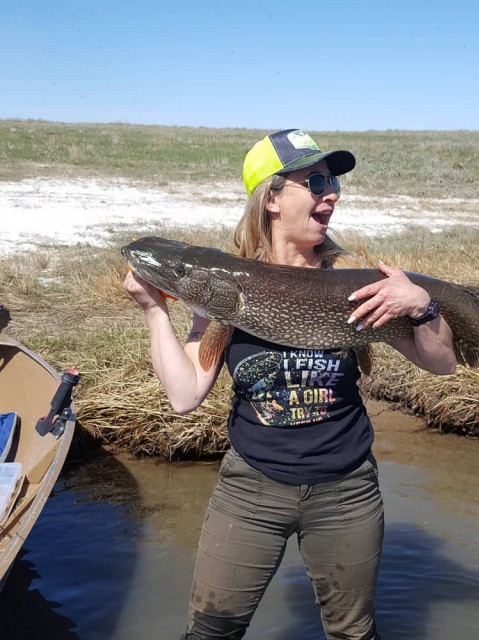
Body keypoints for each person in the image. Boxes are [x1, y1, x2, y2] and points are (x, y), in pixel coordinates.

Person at [123, 129, 457, 639]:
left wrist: (423, 308)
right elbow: (185, 396)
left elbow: (441, 364)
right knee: (210, 631)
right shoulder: (226, 285)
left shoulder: (359, 287)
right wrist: (153, 311)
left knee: (352, 633)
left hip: (346, 490)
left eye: (334, 182)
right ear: (272, 198)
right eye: (316, 181)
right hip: (251, 489)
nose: (332, 193)